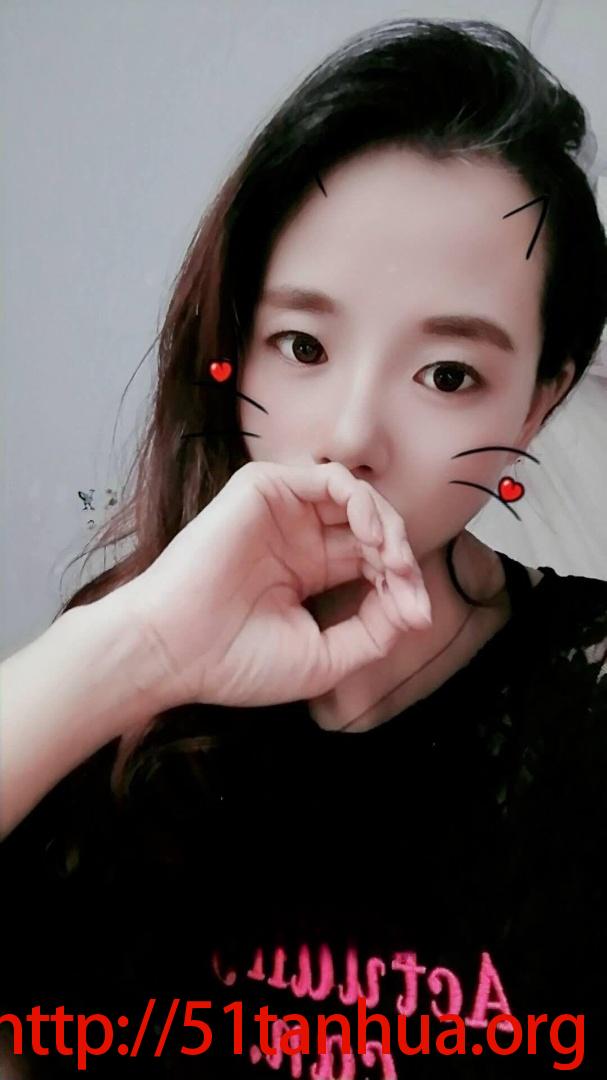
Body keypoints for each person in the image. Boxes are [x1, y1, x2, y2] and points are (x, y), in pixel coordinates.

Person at [1, 15, 606, 1079]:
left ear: (538, 399)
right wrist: (136, 650)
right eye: (303, 344)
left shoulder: (585, 691)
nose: (350, 435)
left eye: (448, 374)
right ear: (234, 347)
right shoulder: (125, 640)